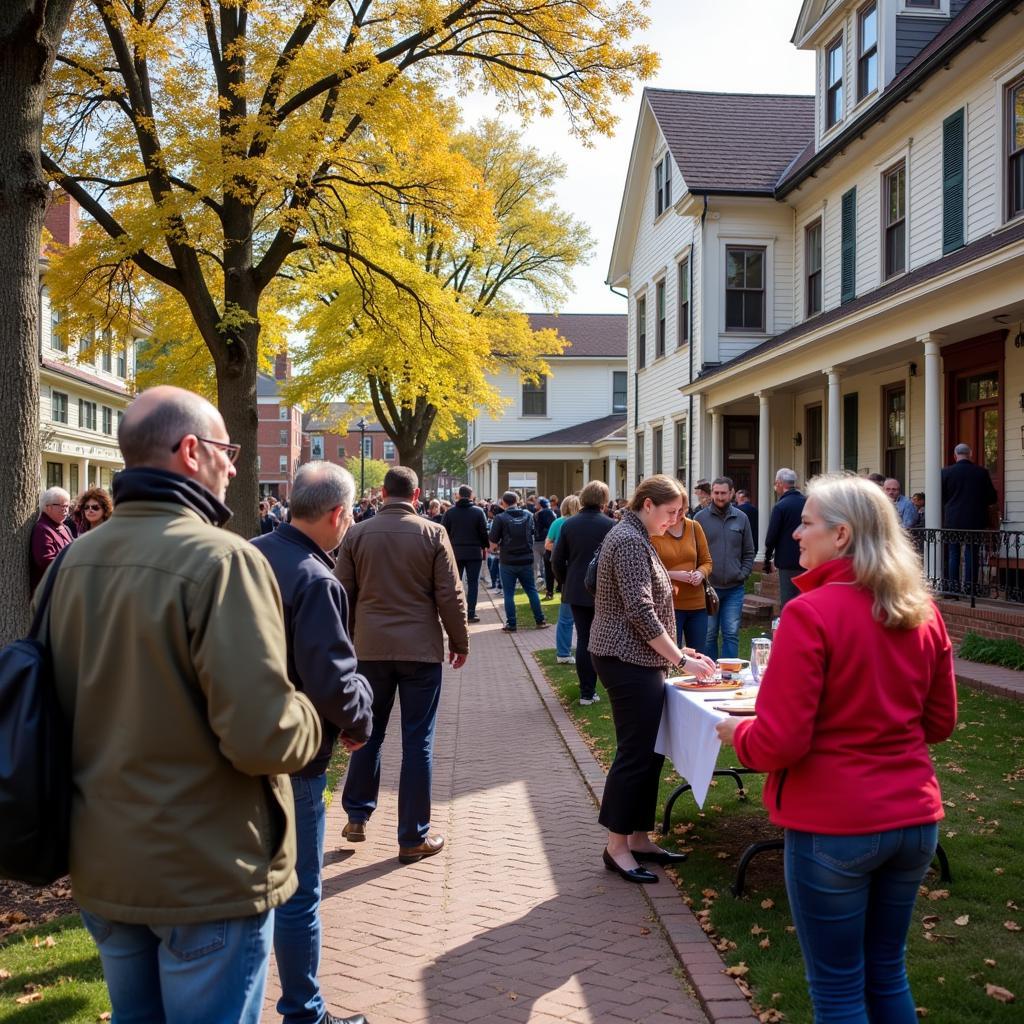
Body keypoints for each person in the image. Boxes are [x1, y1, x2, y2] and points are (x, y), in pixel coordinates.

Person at [39, 385, 322, 1022]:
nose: (234, 464)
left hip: (105, 866)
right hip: (207, 873)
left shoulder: (74, 560)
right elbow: (263, 737)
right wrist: (310, 714)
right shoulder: (222, 561)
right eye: (227, 450)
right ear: (192, 452)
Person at [716, 473, 957, 1022]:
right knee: (887, 970)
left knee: (840, 991)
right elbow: (939, 723)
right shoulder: (921, 612)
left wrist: (739, 736)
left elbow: (780, 739)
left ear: (842, 535)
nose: (796, 534)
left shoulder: (810, 613)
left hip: (835, 825)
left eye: (806, 524)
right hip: (914, 821)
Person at [252, 462, 373, 1024]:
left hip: (235, 746)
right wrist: (357, 722)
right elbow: (332, 677)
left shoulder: (249, 555)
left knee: (249, 891)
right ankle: (305, 1012)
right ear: (337, 514)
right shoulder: (316, 579)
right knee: (299, 894)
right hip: (294, 756)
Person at [337, 466, 468, 863]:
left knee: (368, 731)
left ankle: (357, 812)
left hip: (370, 649)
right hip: (419, 651)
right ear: (417, 495)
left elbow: (341, 593)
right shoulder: (432, 533)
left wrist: (345, 643)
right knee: (417, 741)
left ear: (381, 492)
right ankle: (412, 836)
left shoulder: (357, 533)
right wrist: (459, 641)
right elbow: (450, 594)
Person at [589, 475, 715, 884]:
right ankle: (616, 846)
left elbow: (652, 609)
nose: (675, 519)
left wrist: (682, 652)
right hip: (624, 658)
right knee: (635, 752)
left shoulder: (637, 535)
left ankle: (639, 838)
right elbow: (640, 611)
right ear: (646, 505)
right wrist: (680, 659)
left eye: (680, 512)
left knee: (651, 751)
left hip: (640, 657)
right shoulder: (627, 540)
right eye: (670, 512)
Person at [552, 482, 615, 703]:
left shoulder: (569, 525)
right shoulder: (610, 525)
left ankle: (586, 692)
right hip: (603, 590)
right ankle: (599, 687)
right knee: (602, 640)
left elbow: (556, 560)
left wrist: (565, 581)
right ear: (604, 501)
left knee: (584, 638)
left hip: (577, 589)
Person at [695, 477, 755, 660]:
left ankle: (729, 675)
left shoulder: (741, 518)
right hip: (708, 588)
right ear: (712, 493)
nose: (719, 497)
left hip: (734, 588)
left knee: (731, 633)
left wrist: (743, 573)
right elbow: (694, 552)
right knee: (709, 635)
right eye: (716, 493)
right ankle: (710, 674)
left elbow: (749, 551)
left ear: (731, 493)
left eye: (723, 493)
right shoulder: (700, 519)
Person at [650, 488, 712, 653]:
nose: (677, 516)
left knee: (698, 654)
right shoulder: (656, 531)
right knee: (671, 655)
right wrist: (672, 575)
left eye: (682, 511)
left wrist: (700, 573)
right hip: (670, 604)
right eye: (674, 511)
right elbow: (649, 569)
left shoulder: (694, 527)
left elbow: (706, 561)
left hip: (697, 604)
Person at [941, 442, 998, 596]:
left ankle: (953, 588)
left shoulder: (946, 473)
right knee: (972, 553)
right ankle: (970, 588)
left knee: (953, 554)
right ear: (970, 454)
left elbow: (940, 496)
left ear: (955, 455)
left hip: (953, 520)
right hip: (975, 520)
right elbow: (992, 497)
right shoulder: (981, 472)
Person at [489, 490, 549, 633]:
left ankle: (511, 624)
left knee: (509, 593)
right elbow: (534, 533)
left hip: (508, 560)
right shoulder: (529, 515)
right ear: (518, 501)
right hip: (526, 558)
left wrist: (496, 549)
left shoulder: (500, 518)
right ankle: (540, 620)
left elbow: (493, 542)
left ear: (503, 503)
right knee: (531, 590)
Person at [443, 484, 490, 623]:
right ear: (471, 495)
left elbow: (444, 532)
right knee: (473, 583)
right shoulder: (478, 511)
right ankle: (471, 613)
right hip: (474, 551)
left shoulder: (450, 512)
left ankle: (455, 612)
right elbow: (483, 532)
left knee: (455, 583)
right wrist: (484, 545)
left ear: (458, 495)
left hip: (455, 551)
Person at [542, 494, 580, 667]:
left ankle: (563, 652)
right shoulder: (579, 523)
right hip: (579, 570)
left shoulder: (558, 522)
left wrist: (560, 550)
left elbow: (548, 544)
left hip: (565, 571)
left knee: (565, 617)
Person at [763, 468, 807, 610]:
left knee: (789, 602)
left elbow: (772, 536)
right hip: (808, 559)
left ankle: (790, 630)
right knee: (805, 599)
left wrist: (767, 558)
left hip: (787, 562)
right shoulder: (807, 503)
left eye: (776, 484)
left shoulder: (780, 506)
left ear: (780, 483)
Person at [30, 486, 74, 592]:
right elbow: (45, 561)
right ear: (48, 507)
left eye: (67, 506)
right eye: (62, 506)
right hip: (50, 592)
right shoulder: (42, 529)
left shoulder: (65, 527)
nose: (66, 510)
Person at [533, 497, 557, 594]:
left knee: (537, 565)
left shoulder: (542, 513)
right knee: (546, 565)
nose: (535, 504)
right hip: (549, 541)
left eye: (537, 503)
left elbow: (539, 528)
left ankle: (539, 584)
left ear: (540, 504)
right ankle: (548, 585)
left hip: (541, 541)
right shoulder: (552, 512)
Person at [485, 502, 502, 590]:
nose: (487, 512)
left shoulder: (496, 521)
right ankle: (495, 584)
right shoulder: (491, 521)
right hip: (493, 549)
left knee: (495, 567)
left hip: (496, 549)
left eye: (489, 510)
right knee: (493, 567)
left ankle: (498, 585)